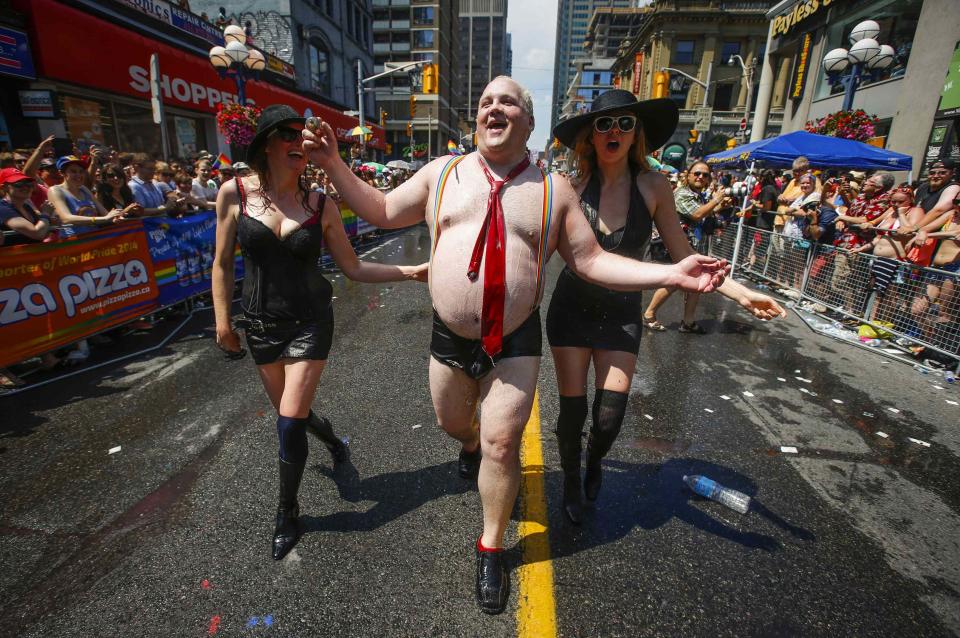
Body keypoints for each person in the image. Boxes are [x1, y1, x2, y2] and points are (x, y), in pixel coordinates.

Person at [304, 76, 730, 614]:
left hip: (516, 340)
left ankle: (491, 548)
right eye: (485, 102)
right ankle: (467, 444)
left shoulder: (554, 190)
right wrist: (337, 164)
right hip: (450, 336)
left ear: (529, 122)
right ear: (476, 118)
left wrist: (675, 270)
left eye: (507, 102)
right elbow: (385, 211)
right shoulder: (444, 173)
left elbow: (592, 260)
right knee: (454, 425)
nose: (493, 109)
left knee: (503, 445)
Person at [545, 91, 784, 524]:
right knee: (572, 411)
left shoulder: (654, 188)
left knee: (609, 418)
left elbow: (685, 256)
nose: (613, 132)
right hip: (571, 310)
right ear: (590, 137)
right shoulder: (569, 187)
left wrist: (741, 293)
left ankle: (595, 460)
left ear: (636, 134)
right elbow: (538, 253)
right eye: (603, 125)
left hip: (620, 315)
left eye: (624, 124)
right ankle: (570, 479)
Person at [211, 105, 428, 563]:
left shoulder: (320, 204)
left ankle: (287, 512)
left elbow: (352, 267)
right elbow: (220, 263)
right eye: (288, 134)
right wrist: (222, 320)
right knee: (296, 417)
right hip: (260, 324)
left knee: (288, 421)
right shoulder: (233, 195)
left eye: (303, 136)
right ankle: (331, 440)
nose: (299, 142)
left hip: (310, 322)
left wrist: (409, 272)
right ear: (267, 143)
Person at [642, 160, 732, 333]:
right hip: (679, 245)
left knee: (697, 282)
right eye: (697, 173)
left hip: (693, 245)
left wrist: (719, 206)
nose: (700, 177)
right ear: (688, 175)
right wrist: (716, 201)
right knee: (674, 281)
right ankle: (649, 314)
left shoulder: (698, 195)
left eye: (705, 175)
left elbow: (703, 211)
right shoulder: (683, 193)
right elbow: (697, 214)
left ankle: (688, 321)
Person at [48, 156, 125, 227]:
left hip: (95, 237)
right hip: (74, 240)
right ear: (62, 173)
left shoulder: (84, 189)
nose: (78, 175)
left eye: (81, 171)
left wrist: (118, 215)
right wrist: (104, 219)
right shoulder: (55, 190)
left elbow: (106, 214)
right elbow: (66, 219)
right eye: (73, 171)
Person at [0, 168, 52, 244]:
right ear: (3, 187)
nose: (26, 187)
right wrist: (46, 214)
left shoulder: (26, 207)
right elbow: (37, 233)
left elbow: (43, 231)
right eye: (19, 184)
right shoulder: (2, 208)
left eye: (29, 184)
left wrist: (51, 223)